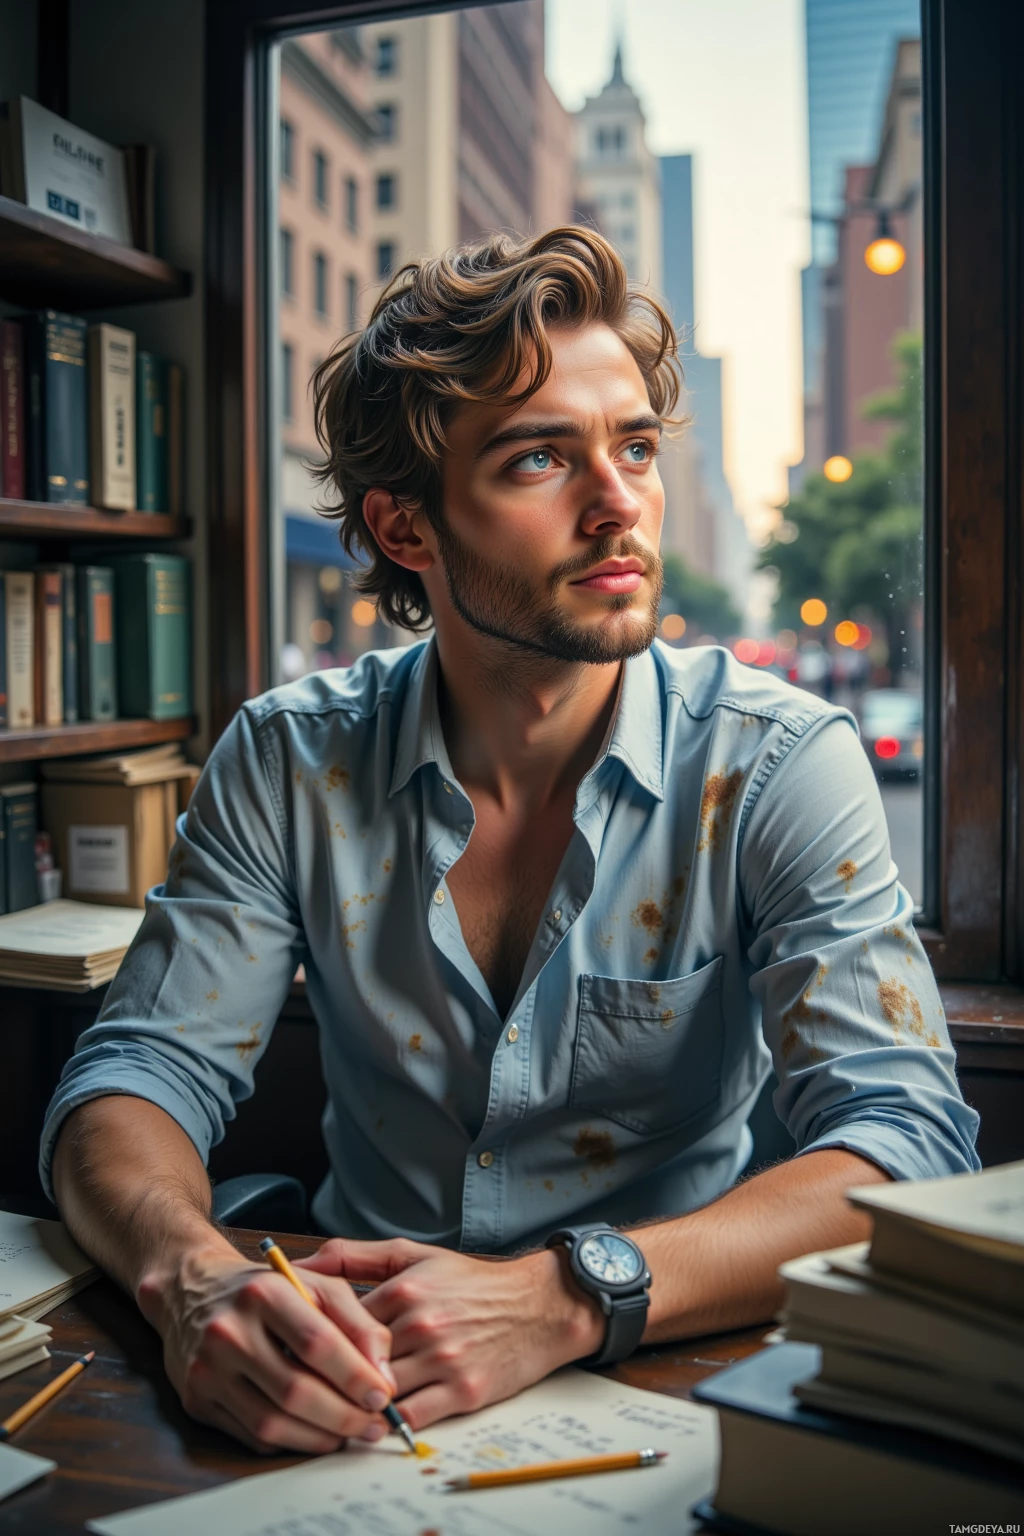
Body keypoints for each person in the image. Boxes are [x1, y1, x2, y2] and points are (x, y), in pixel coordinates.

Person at [43, 227, 978, 1456]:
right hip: (351, 1376)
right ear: (407, 529)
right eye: (542, 458)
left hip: (669, 1367)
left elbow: (906, 1141)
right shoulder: (288, 757)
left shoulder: (774, 761)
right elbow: (132, 1078)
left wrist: (562, 1294)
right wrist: (192, 1278)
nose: (620, 503)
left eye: (634, 445)